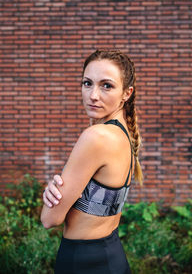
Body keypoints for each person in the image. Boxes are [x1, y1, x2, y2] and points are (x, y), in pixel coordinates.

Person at [41, 49, 143, 274]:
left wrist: (52, 195)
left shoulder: (96, 137)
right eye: (87, 83)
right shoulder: (123, 135)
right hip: (112, 254)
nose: (93, 95)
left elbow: (49, 219)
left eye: (106, 85)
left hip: (84, 262)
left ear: (127, 93)